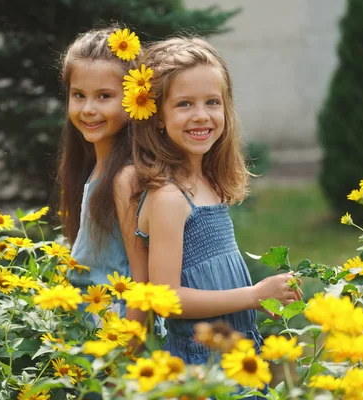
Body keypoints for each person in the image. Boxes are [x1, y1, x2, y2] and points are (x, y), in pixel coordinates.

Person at [130, 36, 301, 364]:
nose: (201, 115)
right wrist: (253, 295)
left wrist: (267, 298)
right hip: (200, 364)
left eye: (212, 102)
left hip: (235, 355)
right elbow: (166, 299)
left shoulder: (206, 182)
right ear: (158, 117)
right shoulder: (169, 196)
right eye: (184, 104)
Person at [56, 25, 148, 325]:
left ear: (135, 98)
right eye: (78, 95)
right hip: (88, 332)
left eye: (104, 96)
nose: (88, 109)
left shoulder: (127, 176)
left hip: (113, 335)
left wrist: (126, 353)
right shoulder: (95, 166)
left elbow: (141, 281)